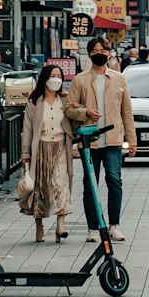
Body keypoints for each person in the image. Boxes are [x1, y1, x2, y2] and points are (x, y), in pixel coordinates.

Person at [66, 35, 138, 242]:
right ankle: (93, 228)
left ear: (109, 53)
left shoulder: (119, 78)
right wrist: (85, 112)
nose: (100, 54)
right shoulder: (80, 80)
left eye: (103, 51)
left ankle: (114, 225)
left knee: (114, 181)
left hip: (113, 141)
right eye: (96, 51)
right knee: (90, 184)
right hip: (89, 141)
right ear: (89, 54)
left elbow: (127, 112)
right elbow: (69, 108)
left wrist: (131, 140)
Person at [20, 63, 94, 243]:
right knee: (41, 188)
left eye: (59, 76)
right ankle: (39, 225)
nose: (56, 79)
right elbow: (27, 130)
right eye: (53, 75)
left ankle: (61, 225)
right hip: (41, 148)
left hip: (61, 146)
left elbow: (75, 124)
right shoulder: (34, 102)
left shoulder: (65, 101)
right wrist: (25, 154)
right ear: (44, 78)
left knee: (61, 184)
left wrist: (78, 109)